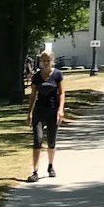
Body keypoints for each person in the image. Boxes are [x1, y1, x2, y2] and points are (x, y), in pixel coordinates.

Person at [27, 50, 64, 181]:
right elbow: (33, 95)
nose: (46, 63)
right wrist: (29, 113)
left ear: (52, 61)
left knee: (51, 141)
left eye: (48, 60)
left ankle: (50, 166)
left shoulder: (58, 75)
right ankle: (35, 171)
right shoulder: (36, 76)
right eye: (43, 60)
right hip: (39, 111)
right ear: (40, 62)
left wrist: (60, 109)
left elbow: (61, 93)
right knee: (37, 139)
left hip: (53, 111)